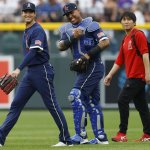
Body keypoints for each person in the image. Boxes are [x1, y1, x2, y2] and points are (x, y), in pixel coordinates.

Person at [0, 2, 72, 147]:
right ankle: (0, 138)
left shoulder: (37, 30)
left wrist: (19, 69)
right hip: (31, 73)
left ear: (35, 14)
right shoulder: (27, 29)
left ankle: (66, 139)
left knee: (52, 105)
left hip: (42, 71)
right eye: (25, 11)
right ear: (21, 13)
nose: (27, 14)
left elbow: (33, 52)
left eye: (30, 12)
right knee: (16, 105)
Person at [57, 3, 109, 144]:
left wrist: (87, 56)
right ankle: (101, 137)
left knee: (75, 96)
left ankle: (80, 135)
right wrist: (73, 37)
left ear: (78, 11)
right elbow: (60, 46)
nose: (70, 16)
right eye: (67, 15)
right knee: (91, 102)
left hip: (93, 65)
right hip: (81, 70)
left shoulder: (91, 25)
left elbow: (105, 42)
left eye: (72, 12)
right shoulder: (66, 29)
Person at [104, 11, 150, 142]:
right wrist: (109, 75)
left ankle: (122, 133)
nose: (126, 21)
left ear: (134, 22)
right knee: (142, 106)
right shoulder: (125, 39)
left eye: (129, 19)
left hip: (138, 76)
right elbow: (119, 60)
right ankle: (148, 134)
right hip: (133, 76)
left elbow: (145, 54)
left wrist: (148, 73)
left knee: (122, 100)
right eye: (123, 19)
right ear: (121, 22)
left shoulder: (138, 34)